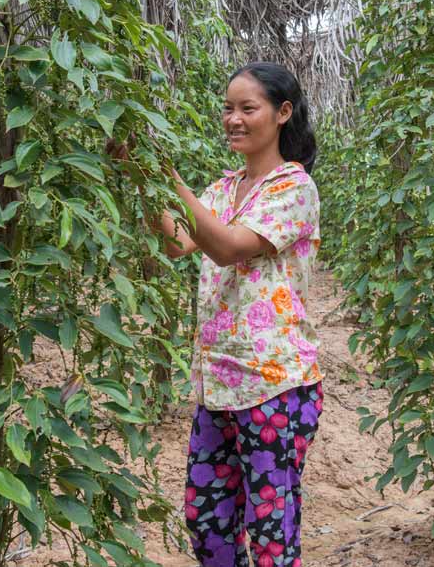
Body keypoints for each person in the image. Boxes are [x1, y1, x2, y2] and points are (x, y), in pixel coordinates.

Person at [108, 61, 323, 567]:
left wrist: (166, 174)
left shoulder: (294, 187)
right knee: (206, 521)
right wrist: (137, 172)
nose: (234, 118)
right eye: (228, 108)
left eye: (248, 108)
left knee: (271, 533)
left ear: (282, 113)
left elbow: (227, 247)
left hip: (275, 385)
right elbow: (183, 241)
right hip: (218, 384)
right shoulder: (223, 189)